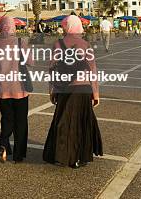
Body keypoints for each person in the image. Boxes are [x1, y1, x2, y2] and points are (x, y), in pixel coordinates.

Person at [43, 15, 103, 168]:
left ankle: (63, 155)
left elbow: (52, 69)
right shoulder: (85, 44)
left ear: (66, 26)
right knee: (81, 123)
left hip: (64, 88)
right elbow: (92, 70)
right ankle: (80, 157)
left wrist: (52, 90)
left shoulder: (58, 44)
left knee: (64, 122)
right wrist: (95, 93)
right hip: (83, 88)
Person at [0, 16, 33, 163]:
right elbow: (30, 62)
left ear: (1, 27)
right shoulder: (20, 42)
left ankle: (3, 143)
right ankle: (18, 155)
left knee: (7, 117)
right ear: (13, 27)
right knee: (21, 121)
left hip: (1, 88)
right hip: (19, 88)